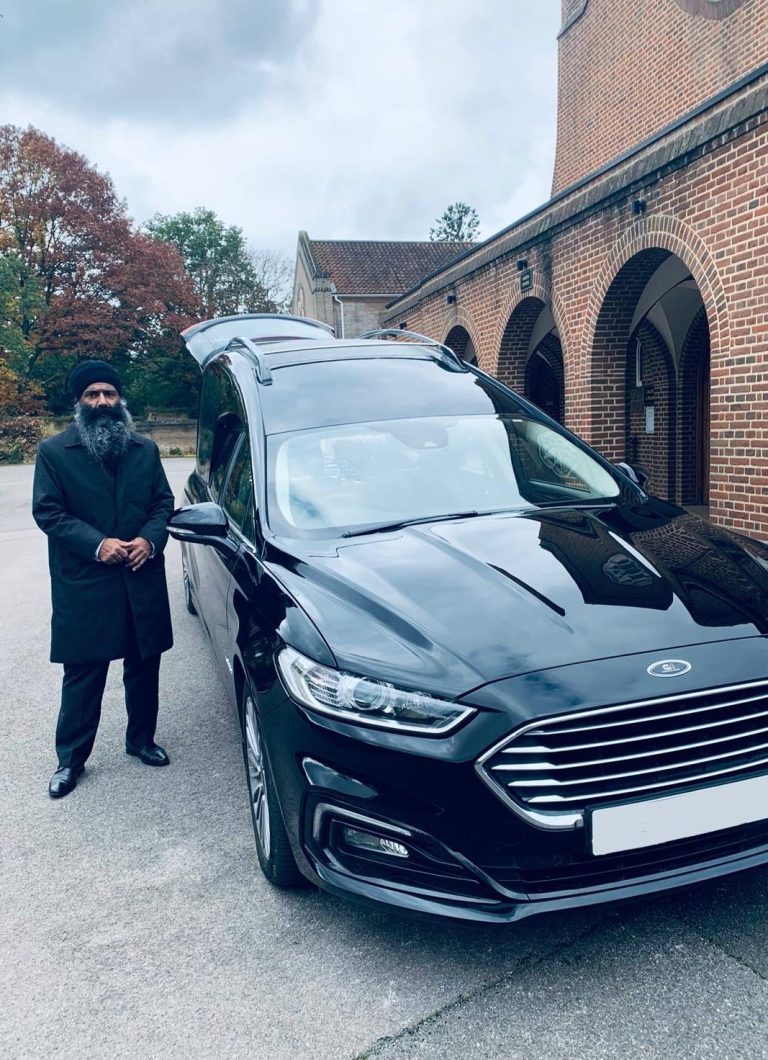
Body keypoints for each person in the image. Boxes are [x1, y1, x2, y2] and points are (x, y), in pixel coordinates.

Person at [32, 359, 175, 799]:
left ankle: (141, 741)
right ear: (78, 401)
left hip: (139, 573)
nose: (102, 402)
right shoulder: (54, 452)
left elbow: (162, 504)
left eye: (109, 394)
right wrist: (98, 543)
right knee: (84, 672)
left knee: (143, 663)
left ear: (120, 399)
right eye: (92, 394)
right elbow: (48, 512)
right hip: (86, 579)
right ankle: (70, 760)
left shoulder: (144, 450)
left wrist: (149, 541)